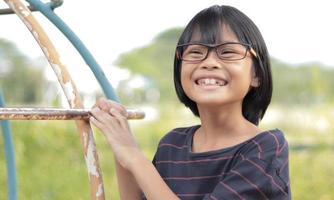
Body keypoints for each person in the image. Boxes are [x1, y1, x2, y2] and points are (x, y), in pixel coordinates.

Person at [90, 4, 291, 200]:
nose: (209, 62)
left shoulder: (265, 147)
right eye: (195, 52)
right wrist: (121, 144)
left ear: (257, 75)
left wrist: (134, 157)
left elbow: (136, 162)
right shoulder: (172, 144)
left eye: (228, 52)